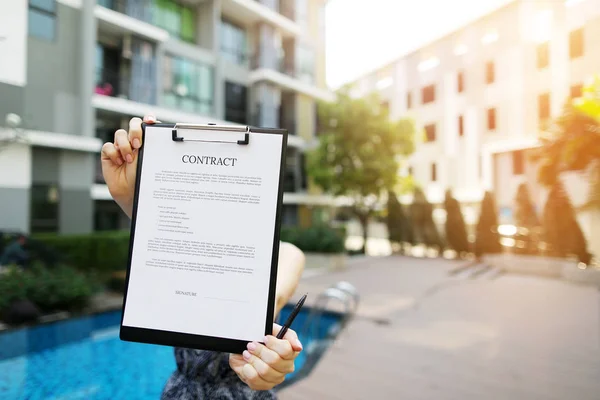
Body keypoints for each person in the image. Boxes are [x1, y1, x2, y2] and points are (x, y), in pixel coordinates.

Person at [101, 115, 305, 399]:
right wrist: (129, 195)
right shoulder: (185, 242)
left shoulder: (286, 254)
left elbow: (280, 282)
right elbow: (169, 235)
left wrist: (259, 349)